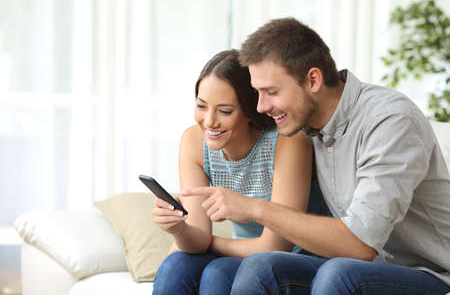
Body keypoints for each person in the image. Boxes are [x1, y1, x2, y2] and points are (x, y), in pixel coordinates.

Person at [183, 18, 450, 294]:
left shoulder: (390, 121)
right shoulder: (307, 126)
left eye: (271, 92)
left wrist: (253, 208)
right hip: (364, 266)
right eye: (258, 93)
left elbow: (360, 244)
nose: (261, 107)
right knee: (261, 267)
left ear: (313, 80)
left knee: (338, 273)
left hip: (431, 273)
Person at [152, 49, 325, 295]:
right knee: (175, 266)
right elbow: (196, 238)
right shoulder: (193, 142)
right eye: (201, 106)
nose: (209, 121)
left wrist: (208, 242)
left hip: (297, 260)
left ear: (250, 109)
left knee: (218, 272)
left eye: (224, 111)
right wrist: (180, 230)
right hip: (243, 254)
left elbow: (273, 246)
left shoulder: (288, 142)